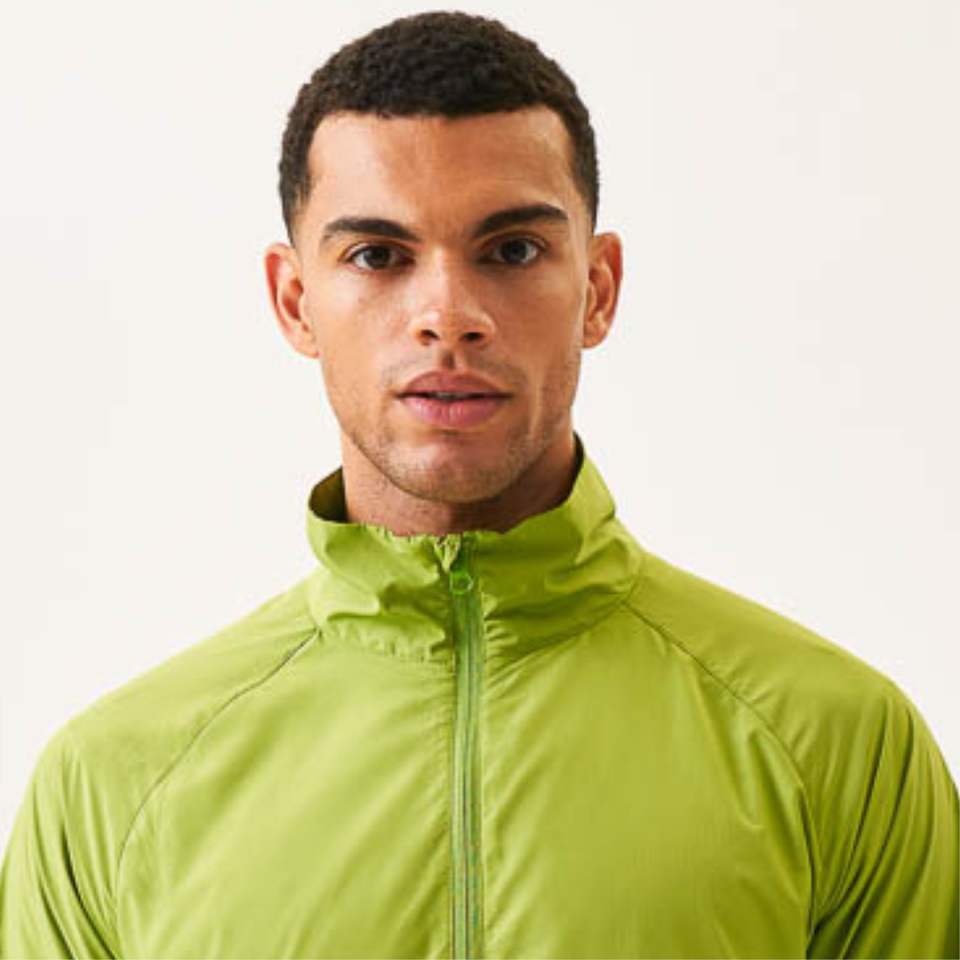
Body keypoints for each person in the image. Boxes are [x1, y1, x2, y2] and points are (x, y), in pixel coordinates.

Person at [1, 9, 957, 958]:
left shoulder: (835, 743)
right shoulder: (110, 786)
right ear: (295, 302)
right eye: (378, 256)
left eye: (512, 251)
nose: (448, 314)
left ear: (598, 289)